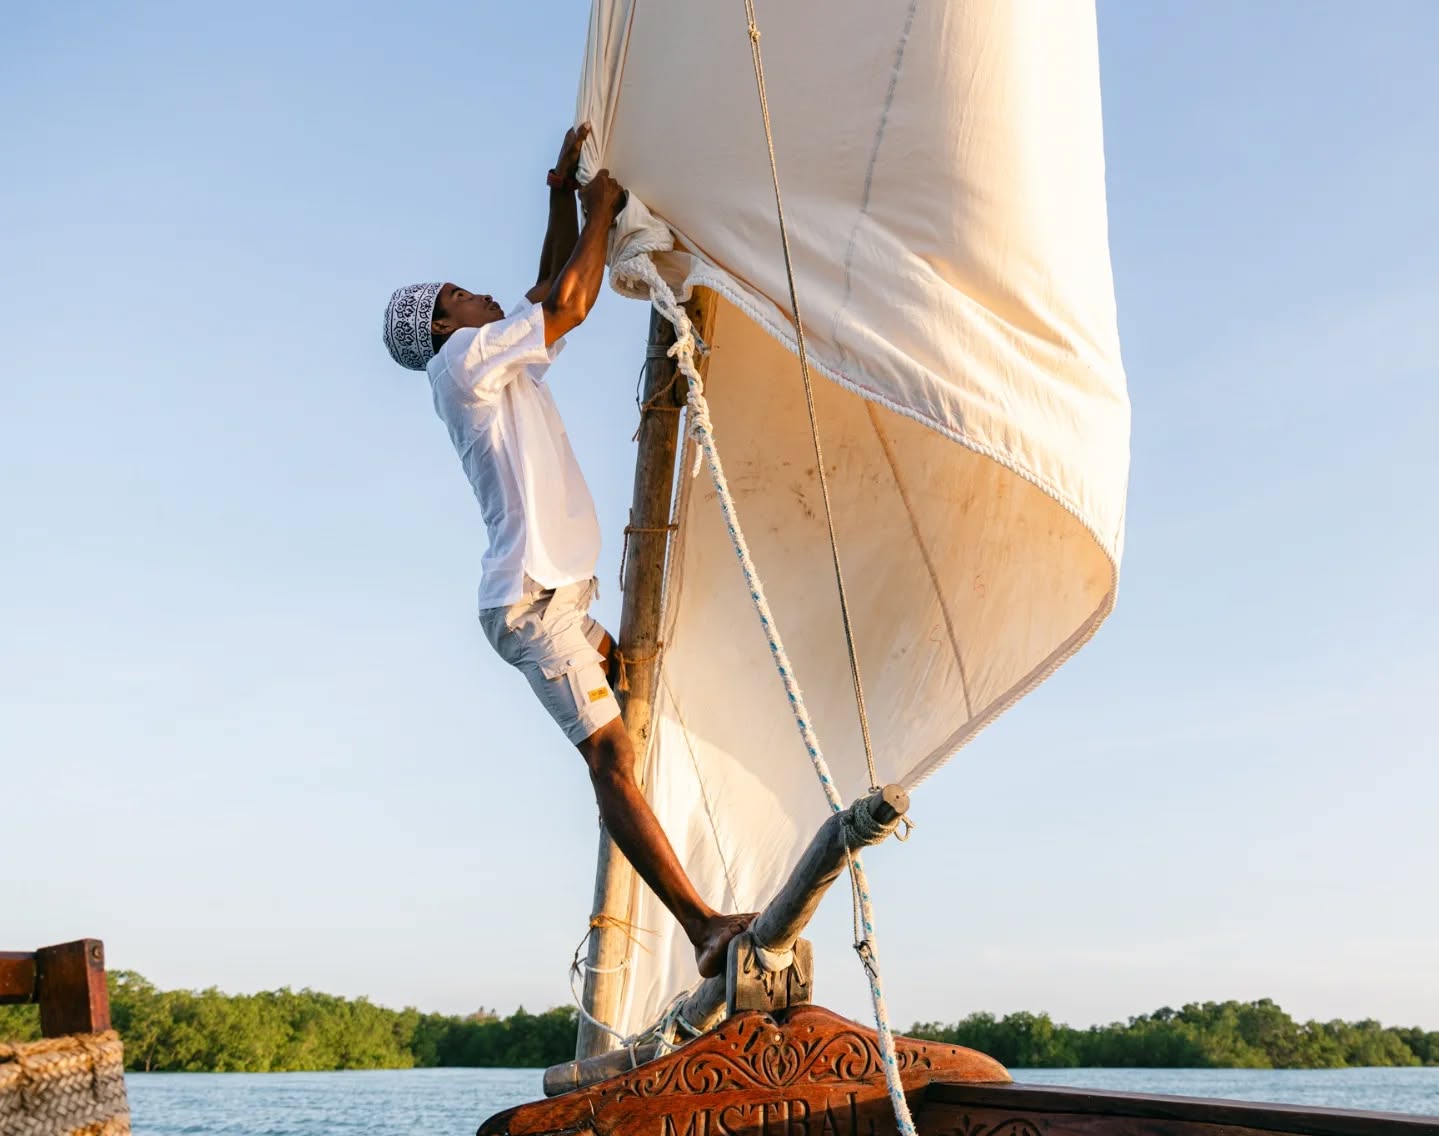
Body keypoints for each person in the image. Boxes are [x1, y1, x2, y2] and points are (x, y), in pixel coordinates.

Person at [382, 125, 751, 978]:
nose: (482, 298)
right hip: (533, 601)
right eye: (461, 295)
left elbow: (544, 295)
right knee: (610, 757)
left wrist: (558, 198)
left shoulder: (491, 363)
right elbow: (569, 304)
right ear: (440, 324)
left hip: (558, 596)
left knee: (632, 697)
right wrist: (600, 207)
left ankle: (684, 908)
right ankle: (701, 928)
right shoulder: (461, 366)